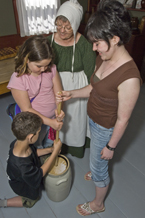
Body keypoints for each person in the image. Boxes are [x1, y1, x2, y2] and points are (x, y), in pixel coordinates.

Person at [56, 0, 141, 215]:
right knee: (95, 156)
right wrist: (72, 93)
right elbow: (94, 88)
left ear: (115, 39)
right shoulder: (105, 57)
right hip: (93, 121)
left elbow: (123, 120)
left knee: (99, 166)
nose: (93, 48)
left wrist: (110, 147)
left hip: (106, 128)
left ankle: (97, 204)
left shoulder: (130, 78)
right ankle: (96, 169)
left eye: (97, 43)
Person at [47, 0, 96, 158]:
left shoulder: (84, 44)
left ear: (75, 25)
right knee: (57, 117)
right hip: (55, 86)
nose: (62, 31)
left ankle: (75, 146)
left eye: (67, 27)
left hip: (77, 87)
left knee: (75, 120)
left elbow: (91, 75)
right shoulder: (50, 41)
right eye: (59, 25)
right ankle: (56, 145)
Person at [7, 35, 64, 149]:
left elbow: (58, 94)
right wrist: (50, 122)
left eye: (46, 65)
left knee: (49, 145)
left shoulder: (51, 68)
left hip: (53, 119)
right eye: (39, 66)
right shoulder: (18, 79)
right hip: (35, 124)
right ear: (27, 59)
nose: (43, 69)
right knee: (36, 148)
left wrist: (59, 110)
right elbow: (27, 109)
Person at [0, 111, 62, 208]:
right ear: (31, 137)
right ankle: (3, 203)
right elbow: (40, 173)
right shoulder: (22, 167)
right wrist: (54, 153)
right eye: (38, 132)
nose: (39, 133)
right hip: (23, 185)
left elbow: (34, 152)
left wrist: (50, 149)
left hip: (26, 173)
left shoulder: (18, 143)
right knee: (32, 199)